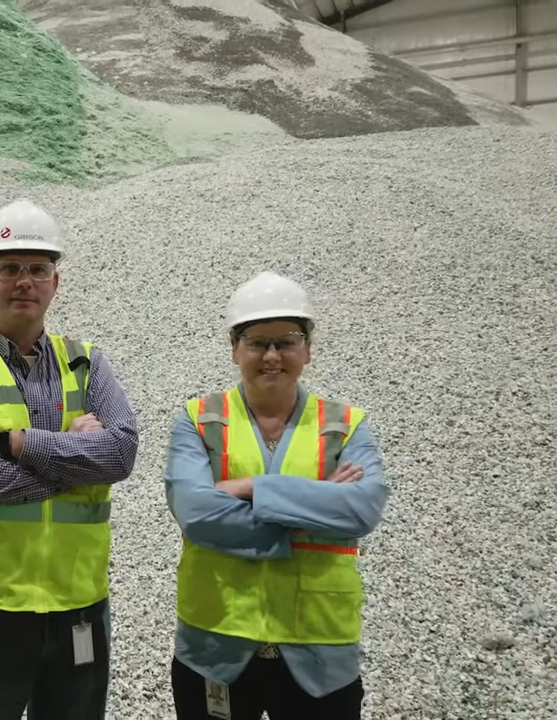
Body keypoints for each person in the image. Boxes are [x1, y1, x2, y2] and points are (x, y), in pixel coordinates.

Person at [0, 199, 140, 720]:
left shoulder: (88, 363)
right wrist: (75, 466)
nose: (24, 281)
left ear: (55, 283)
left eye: (38, 269)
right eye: (10, 268)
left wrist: (19, 443)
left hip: (76, 608)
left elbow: (121, 452)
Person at [164, 271, 390, 720]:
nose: (272, 356)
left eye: (286, 341)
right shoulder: (199, 420)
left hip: (320, 654)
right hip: (215, 648)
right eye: (257, 342)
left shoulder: (346, 424)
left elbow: (362, 509)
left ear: (307, 348)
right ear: (235, 348)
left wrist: (251, 488)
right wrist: (318, 504)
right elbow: (196, 512)